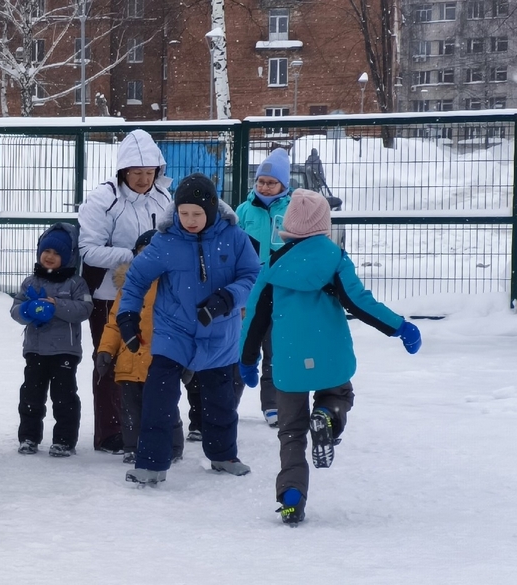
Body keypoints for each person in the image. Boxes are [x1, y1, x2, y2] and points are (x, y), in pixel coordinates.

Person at [239, 189, 422, 524]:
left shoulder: (273, 267)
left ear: (288, 225)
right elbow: (359, 302)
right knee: (339, 394)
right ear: (324, 225)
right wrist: (399, 327)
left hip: (289, 361)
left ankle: (291, 496)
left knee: (291, 432)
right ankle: (328, 414)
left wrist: (248, 359)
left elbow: (255, 318)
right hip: (329, 356)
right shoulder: (335, 258)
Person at [116, 173, 260, 485]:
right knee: (159, 396)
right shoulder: (166, 240)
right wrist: (127, 316)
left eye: (197, 214)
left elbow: (251, 276)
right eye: (184, 213)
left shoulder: (234, 237)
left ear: (212, 209)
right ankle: (151, 463)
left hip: (219, 329)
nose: (190, 220)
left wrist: (227, 298)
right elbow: (136, 279)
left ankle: (223, 455)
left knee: (220, 399)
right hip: (174, 330)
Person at [78, 129, 173, 455]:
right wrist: (134, 257)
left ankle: (145, 427)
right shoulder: (104, 200)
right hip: (111, 293)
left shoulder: (164, 198)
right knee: (110, 359)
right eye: (137, 173)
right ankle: (110, 432)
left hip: (157, 294)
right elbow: (89, 250)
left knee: (151, 359)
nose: (144, 179)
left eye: (150, 172)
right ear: (123, 171)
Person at [96, 229, 187, 465]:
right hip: (130, 359)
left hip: (161, 361)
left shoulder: (175, 288)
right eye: (143, 254)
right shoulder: (128, 288)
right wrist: (105, 350)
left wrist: (188, 359)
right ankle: (132, 447)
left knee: (164, 407)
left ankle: (172, 445)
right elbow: (115, 323)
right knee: (131, 410)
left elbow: (184, 325)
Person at [10, 223, 93, 457]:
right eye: (47, 251)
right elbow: (15, 310)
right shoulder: (30, 282)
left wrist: (57, 305)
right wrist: (27, 309)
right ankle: (28, 438)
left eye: (57, 253)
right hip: (35, 349)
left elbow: (85, 309)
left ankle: (64, 441)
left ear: (67, 257)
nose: (50, 256)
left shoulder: (76, 283)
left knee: (64, 397)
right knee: (31, 396)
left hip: (65, 351)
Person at [236, 147, 294, 428]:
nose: (265, 187)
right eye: (261, 181)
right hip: (249, 289)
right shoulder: (244, 210)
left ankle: (272, 405)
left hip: (280, 290)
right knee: (241, 346)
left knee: (274, 350)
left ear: (284, 185)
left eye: (271, 183)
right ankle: (227, 402)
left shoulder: (293, 209)